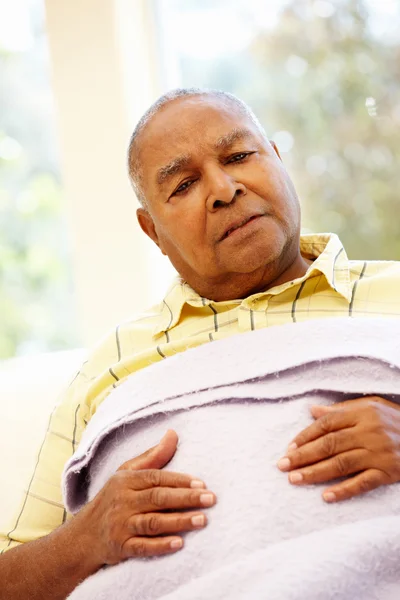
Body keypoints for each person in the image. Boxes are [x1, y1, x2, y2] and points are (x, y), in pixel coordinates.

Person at [1, 88, 400, 600]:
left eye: (238, 156)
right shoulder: (111, 363)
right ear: (153, 232)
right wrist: (83, 540)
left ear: (277, 161)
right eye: (184, 184)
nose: (223, 188)